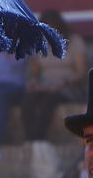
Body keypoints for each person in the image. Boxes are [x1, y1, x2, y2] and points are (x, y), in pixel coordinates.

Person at [23, 11, 89, 141]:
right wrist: (34, 82)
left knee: (49, 102)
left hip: (68, 86)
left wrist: (64, 82)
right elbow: (35, 73)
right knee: (28, 101)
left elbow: (81, 72)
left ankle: (38, 139)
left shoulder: (75, 42)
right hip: (46, 85)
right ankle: (29, 139)